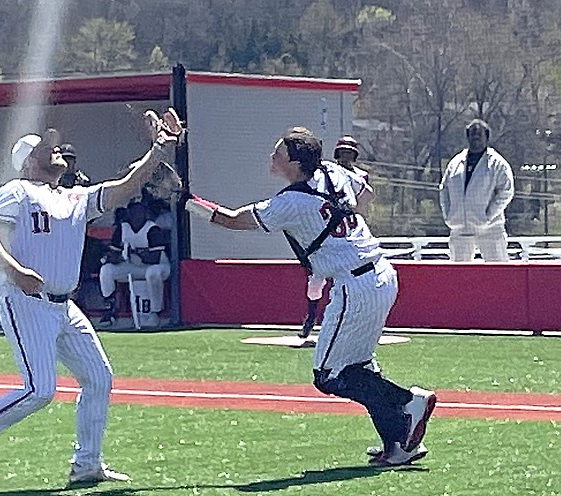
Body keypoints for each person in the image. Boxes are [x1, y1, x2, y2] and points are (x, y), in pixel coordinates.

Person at [0, 108, 184, 489]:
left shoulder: (73, 196)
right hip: (25, 301)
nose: (56, 153)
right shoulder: (15, 190)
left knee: (98, 377)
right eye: (45, 149)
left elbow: (123, 187)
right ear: (28, 161)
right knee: (39, 390)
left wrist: (159, 150)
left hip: (63, 305)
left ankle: (86, 463)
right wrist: (15, 272)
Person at [184, 126, 436, 467]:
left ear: (296, 164)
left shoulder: (290, 202)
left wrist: (188, 202)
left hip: (353, 283)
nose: (272, 158)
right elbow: (366, 196)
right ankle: (398, 444)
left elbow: (232, 220)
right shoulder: (333, 171)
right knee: (358, 368)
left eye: (278, 154)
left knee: (328, 375)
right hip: (380, 272)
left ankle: (409, 401)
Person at [298, 136, 374, 338]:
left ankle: (356, 322)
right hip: (327, 231)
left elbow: (366, 199)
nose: (346, 156)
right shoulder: (327, 172)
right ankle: (311, 316)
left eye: (349, 152)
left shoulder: (360, 177)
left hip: (350, 232)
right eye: (342, 152)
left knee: (357, 279)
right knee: (316, 278)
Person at [439, 119, 515, 261]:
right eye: (472, 134)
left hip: (490, 229)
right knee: (459, 276)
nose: (475, 137)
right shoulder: (455, 163)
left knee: (498, 274)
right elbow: (444, 189)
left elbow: (506, 192)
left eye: (479, 134)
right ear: (467, 137)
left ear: (486, 137)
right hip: (459, 228)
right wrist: (448, 215)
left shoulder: (497, 163)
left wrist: (487, 216)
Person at [99, 200, 170, 328]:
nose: (136, 215)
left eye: (139, 211)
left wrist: (134, 251)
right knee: (106, 270)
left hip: (158, 267)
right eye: (133, 211)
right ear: (128, 213)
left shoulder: (152, 228)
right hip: (132, 266)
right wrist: (114, 257)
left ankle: (155, 311)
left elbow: (154, 258)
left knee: (152, 273)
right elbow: (114, 253)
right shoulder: (122, 228)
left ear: (145, 213)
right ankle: (110, 309)